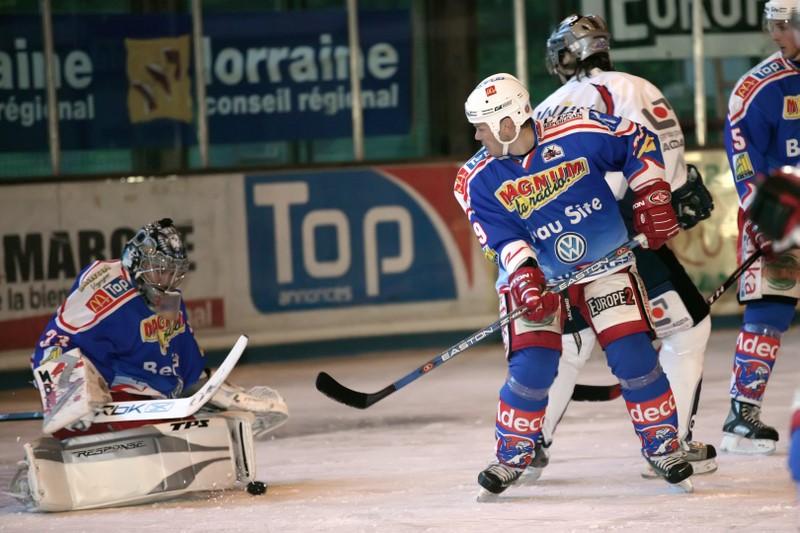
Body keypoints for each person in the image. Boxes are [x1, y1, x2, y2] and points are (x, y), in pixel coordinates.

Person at [455, 72, 693, 498]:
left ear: (508, 123)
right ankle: (512, 456)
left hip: (604, 262)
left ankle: (663, 446)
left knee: (632, 353)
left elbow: (637, 140)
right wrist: (524, 275)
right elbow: (501, 239)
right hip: (537, 277)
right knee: (533, 365)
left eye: (482, 126)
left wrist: (652, 193)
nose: (476, 135)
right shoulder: (474, 179)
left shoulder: (578, 129)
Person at [526, 13, 717, 480]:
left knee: (570, 341)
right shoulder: (634, 87)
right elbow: (659, 153)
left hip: (557, 243)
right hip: (620, 233)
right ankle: (671, 443)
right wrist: (676, 195)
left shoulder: (545, 108)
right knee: (687, 328)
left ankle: (527, 444)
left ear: (566, 56)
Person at [12, 218, 288, 511]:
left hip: (146, 399)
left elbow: (182, 359)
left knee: (188, 423)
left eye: (173, 271)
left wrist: (207, 390)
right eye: (160, 269)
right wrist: (71, 392)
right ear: (136, 261)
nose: (167, 279)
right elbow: (55, 342)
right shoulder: (104, 287)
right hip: (105, 396)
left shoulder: (167, 300)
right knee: (144, 427)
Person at [720, 0, 800, 455]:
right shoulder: (757, 88)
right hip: (781, 211)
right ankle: (741, 415)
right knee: (770, 309)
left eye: (786, 24)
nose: (776, 34)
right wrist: (765, 218)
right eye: (773, 24)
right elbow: (744, 162)